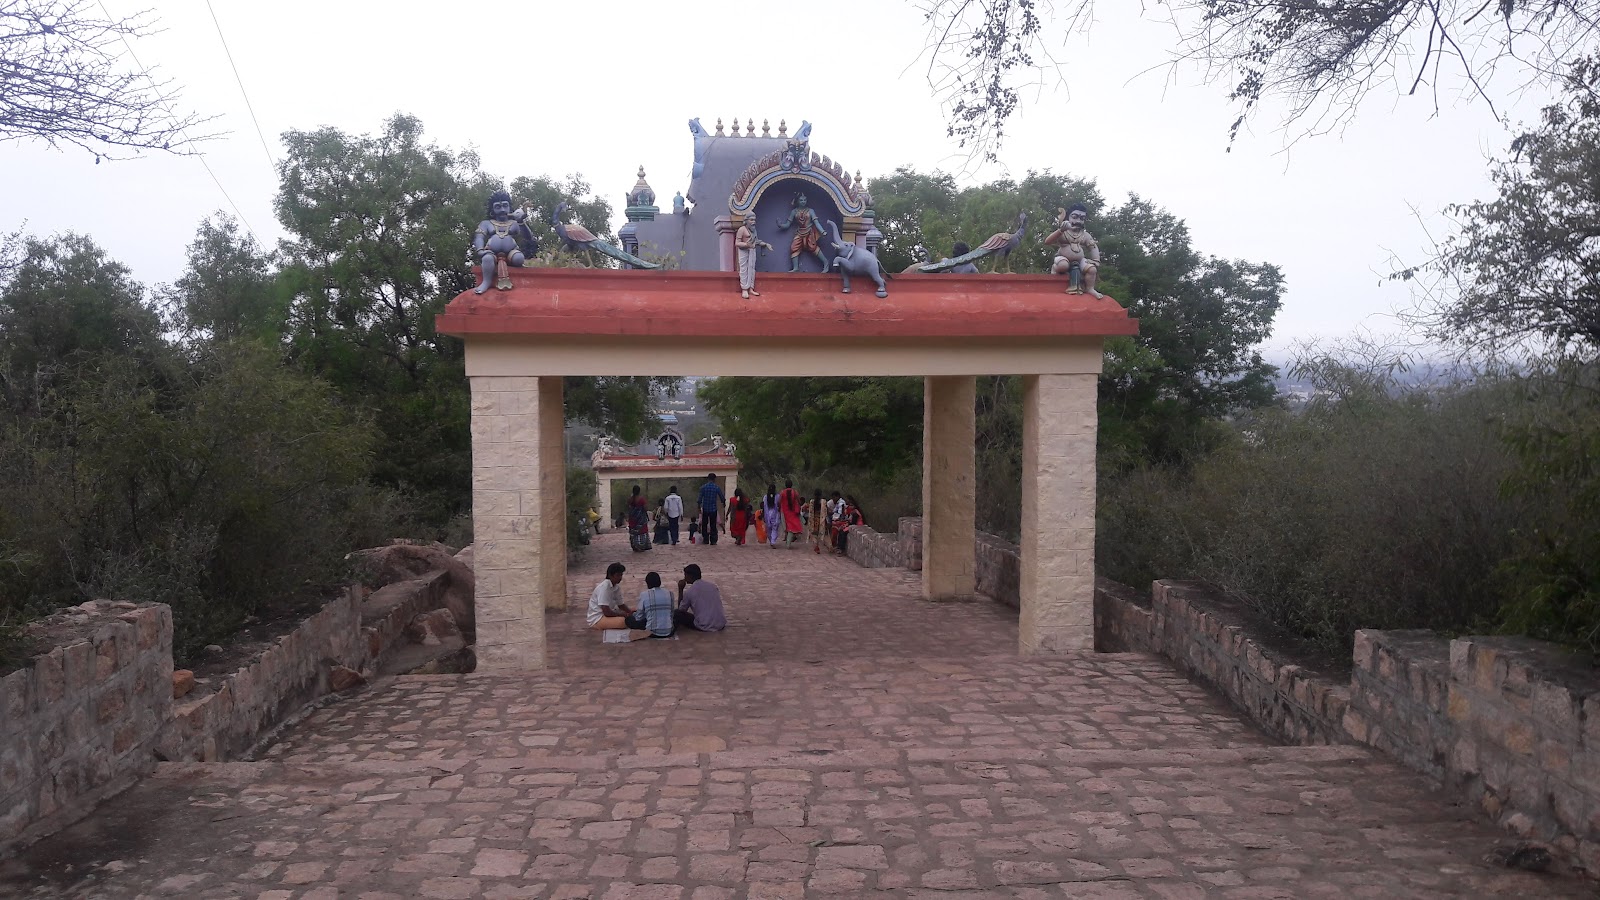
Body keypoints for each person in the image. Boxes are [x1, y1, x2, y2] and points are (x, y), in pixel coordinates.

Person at [1044, 203, 1102, 297]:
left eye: (1082, 219)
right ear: (1068, 218)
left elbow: (1093, 247)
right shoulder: (1063, 232)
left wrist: (1096, 260)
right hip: (1062, 258)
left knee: (1092, 269)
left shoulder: (1085, 235)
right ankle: (1055, 268)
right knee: (1063, 266)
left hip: (1080, 260)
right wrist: (1060, 231)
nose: (1078, 221)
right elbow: (1047, 242)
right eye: (1074, 217)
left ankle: (1090, 288)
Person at [776, 192, 829, 272]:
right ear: (797, 201)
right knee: (794, 247)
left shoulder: (810, 211)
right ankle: (796, 268)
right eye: (801, 200)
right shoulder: (794, 212)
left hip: (809, 231)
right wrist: (780, 225)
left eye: (805, 200)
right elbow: (788, 224)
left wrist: (822, 231)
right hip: (799, 232)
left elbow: (816, 222)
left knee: (813, 247)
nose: (803, 201)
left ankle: (826, 262)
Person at [588, 562, 642, 630]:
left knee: (632, 616)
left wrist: (629, 611)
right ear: (610, 575)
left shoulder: (616, 587)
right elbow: (606, 612)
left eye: (621, 575)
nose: (620, 578)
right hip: (598, 618)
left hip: (608, 614)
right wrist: (621, 614)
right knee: (623, 622)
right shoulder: (604, 588)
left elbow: (621, 604)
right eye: (618, 575)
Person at [674, 564, 727, 632]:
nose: (684, 578)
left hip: (704, 625)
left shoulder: (690, 591)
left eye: (685, 575)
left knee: (676, 613)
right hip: (720, 624)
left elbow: (681, 609)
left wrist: (680, 589)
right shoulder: (713, 586)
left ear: (689, 576)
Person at [735, 213, 774, 299]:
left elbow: (756, 241)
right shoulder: (742, 229)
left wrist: (766, 244)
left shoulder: (754, 230)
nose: (753, 222)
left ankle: (751, 288)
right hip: (744, 252)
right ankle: (744, 289)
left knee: (752, 269)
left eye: (754, 220)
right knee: (744, 269)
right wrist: (746, 244)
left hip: (752, 251)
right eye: (751, 220)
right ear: (746, 221)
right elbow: (737, 243)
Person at [637, 571, 676, 638]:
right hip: (669, 631)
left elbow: (639, 616)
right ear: (660, 582)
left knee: (630, 620)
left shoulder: (644, 594)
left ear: (647, 584)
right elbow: (671, 613)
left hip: (651, 632)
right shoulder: (670, 593)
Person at [777, 478, 805, 549]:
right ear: (792, 485)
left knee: (787, 528)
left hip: (785, 512)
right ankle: (788, 543)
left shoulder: (782, 492)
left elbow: (779, 502)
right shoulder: (795, 492)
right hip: (793, 512)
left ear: (785, 485)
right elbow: (799, 501)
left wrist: (779, 509)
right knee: (792, 528)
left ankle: (788, 543)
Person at [697, 473, 724, 546]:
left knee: (704, 525)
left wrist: (699, 507)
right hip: (713, 509)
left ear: (708, 478)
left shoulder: (703, 487)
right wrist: (723, 503)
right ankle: (713, 540)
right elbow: (722, 497)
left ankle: (705, 539)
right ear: (714, 479)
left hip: (705, 509)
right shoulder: (716, 487)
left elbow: (699, 499)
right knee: (713, 525)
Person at [761, 484, 782, 549]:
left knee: (769, 529)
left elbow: (763, 507)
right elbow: (779, 505)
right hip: (775, 514)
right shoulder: (777, 496)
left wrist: (763, 515)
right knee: (774, 528)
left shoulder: (765, 497)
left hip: (767, 515)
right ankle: (773, 541)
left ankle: (771, 540)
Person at [808, 489, 829, 554]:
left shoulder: (812, 501)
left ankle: (816, 546)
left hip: (814, 519)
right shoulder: (823, 501)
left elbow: (810, 511)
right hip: (821, 519)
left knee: (814, 534)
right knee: (824, 534)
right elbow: (825, 511)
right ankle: (829, 546)